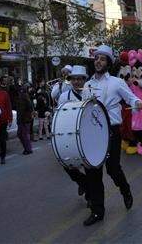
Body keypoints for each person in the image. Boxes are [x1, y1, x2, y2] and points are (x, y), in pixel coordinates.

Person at [81, 45, 142, 226]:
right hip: (93, 133)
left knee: (113, 169)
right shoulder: (88, 85)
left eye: (102, 59)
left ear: (108, 62)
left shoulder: (117, 82)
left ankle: (125, 190)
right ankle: (97, 211)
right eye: (96, 58)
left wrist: (138, 102)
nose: (98, 61)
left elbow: (131, 98)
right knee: (93, 171)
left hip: (111, 131)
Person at [57, 65, 90, 199]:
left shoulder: (90, 93)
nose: (76, 82)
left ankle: (91, 198)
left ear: (84, 80)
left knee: (89, 167)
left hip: (87, 134)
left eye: (79, 79)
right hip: (70, 135)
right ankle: (82, 182)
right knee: (67, 163)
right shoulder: (64, 96)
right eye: (73, 79)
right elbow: (59, 116)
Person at [16, 85, 34, 155]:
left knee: (24, 135)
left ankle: (28, 149)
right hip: (22, 119)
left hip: (25, 120)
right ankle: (27, 148)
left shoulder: (25, 98)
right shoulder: (21, 98)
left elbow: (29, 109)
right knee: (21, 134)